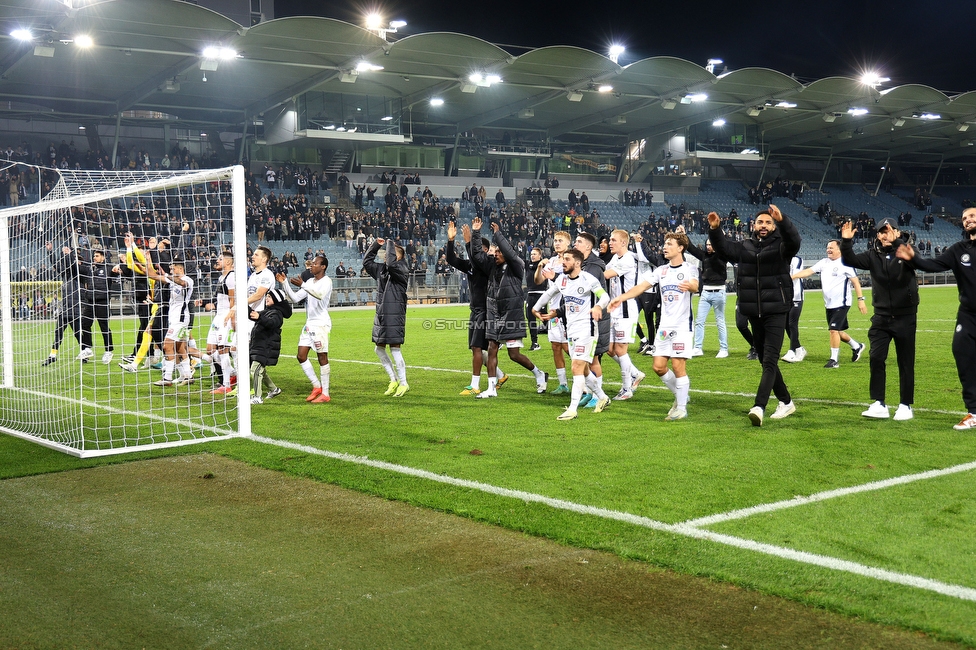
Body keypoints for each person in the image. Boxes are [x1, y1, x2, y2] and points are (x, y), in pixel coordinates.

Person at [708, 206, 799, 426]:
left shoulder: (782, 246)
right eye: (760, 222)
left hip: (777, 310)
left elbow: (794, 241)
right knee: (764, 360)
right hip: (754, 312)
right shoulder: (744, 247)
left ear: (773, 225)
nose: (764, 226)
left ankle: (759, 406)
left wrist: (783, 219)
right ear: (754, 225)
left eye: (768, 223)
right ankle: (786, 402)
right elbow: (722, 248)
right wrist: (715, 229)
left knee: (769, 360)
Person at [895, 206, 976, 430]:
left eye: (972, 216)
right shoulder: (958, 250)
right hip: (968, 314)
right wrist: (913, 257)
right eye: (964, 218)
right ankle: (974, 412)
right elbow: (932, 266)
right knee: (962, 351)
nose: (968, 220)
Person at [609, 231, 699, 420]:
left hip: (682, 326)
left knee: (677, 365)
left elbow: (695, 286)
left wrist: (689, 287)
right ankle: (681, 395)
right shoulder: (661, 271)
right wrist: (620, 298)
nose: (665, 247)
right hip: (664, 327)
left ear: (680, 248)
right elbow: (640, 288)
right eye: (665, 244)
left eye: (669, 244)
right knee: (658, 367)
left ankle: (681, 407)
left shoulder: (690, 268)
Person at [840, 218, 918, 421]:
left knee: (905, 362)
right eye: (881, 232)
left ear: (898, 232)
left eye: (889, 231)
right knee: (876, 358)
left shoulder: (907, 250)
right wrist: (846, 242)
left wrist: (898, 243)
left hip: (905, 317)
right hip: (881, 317)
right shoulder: (872, 255)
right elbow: (850, 261)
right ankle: (879, 403)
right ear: (877, 235)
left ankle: (905, 405)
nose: (885, 235)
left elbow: (916, 259)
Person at [471, 217, 548, 398]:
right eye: (494, 252)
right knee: (492, 348)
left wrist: (497, 235)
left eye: (498, 252)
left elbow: (508, 252)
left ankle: (539, 373)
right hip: (494, 314)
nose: (495, 254)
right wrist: (476, 233)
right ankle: (491, 389)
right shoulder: (491, 267)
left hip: (511, 316)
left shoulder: (517, 266)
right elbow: (477, 255)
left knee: (514, 354)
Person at [531, 249, 611, 420]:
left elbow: (604, 297)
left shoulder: (588, 279)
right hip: (571, 329)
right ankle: (602, 397)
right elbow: (548, 294)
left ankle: (573, 409)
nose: (563, 262)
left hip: (587, 329)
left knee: (576, 367)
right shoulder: (562, 280)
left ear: (577, 262)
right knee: (585, 369)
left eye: (567, 259)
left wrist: (598, 306)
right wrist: (535, 308)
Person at [446, 220, 507, 395]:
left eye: (475, 247)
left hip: (487, 310)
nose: (472, 250)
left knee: (478, 348)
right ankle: (499, 376)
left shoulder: (489, 263)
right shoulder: (471, 265)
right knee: (478, 348)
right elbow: (451, 259)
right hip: (476, 310)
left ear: (485, 251)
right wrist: (451, 241)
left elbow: (477, 257)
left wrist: (468, 242)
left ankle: (475, 385)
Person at [791, 240, 867, 368]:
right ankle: (857, 346)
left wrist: (861, 300)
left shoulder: (846, 263)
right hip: (829, 304)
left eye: (831, 247)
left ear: (839, 250)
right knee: (837, 331)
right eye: (827, 248)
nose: (828, 250)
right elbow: (808, 271)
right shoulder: (823, 262)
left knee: (833, 330)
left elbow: (856, 282)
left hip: (842, 303)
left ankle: (834, 360)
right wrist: (792, 277)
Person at [278, 254, 333, 403]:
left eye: (315, 264)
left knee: (322, 356)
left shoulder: (326, 281)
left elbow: (320, 295)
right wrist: (285, 284)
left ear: (323, 267)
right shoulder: (310, 281)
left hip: (320, 323)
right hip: (309, 323)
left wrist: (303, 285)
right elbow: (295, 298)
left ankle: (325, 394)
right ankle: (316, 386)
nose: (311, 266)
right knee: (301, 356)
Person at [364, 238, 410, 397]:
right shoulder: (382, 270)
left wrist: (390, 243)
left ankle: (404, 383)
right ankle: (393, 380)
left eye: (389, 254)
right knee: (379, 348)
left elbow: (391, 264)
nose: (385, 257)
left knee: (395, 349)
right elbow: (367, 262)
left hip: (395, 313)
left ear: (398, 256)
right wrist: (376, 245)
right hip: (382, 314)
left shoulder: (402, 269)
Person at [603, 229, 646, 399]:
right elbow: (604, 269)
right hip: (614, 309)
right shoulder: (616, 257)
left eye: (613, 240)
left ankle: (627, 389)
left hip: (626, 309)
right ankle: (635, 373)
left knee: (620, 350)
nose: (610, 242)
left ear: (623, 242)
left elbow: (605, 274)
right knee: (609, 349)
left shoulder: (627, 259)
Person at [681, 227, 729, 359]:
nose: (708, 247)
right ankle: (697, 348)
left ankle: (724, 348)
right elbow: (691, 248)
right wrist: (684, 235)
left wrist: (721, 238)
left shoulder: (722, 255)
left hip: (719, 292)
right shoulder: (704, 256)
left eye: (711, 244)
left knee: (720, 321)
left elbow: (726, 247)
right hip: (706, 292)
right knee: (699, 321)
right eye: (707, 244)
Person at [41, 241, 91, 366]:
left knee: (78, 334)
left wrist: (69, 255)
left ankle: (85, 352)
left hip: (75, 309)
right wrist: (50, 251)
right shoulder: (66, 275)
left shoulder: (80, 273)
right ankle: (52, 355)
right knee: (58, 333)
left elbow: (73, 266)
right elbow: (57, 265)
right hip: (64, 309)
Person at [145, 259, 194, 387]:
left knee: (167, 346)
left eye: (173, 268)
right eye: (170, 268)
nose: (171, 270)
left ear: (180, 269)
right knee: (180, 348)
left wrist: (167, 275)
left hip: (181, 318)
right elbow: (152, 275)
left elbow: (182, 283)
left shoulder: (188, 279)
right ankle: (188, 376)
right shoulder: (171, 280)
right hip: (174, 318)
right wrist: (146, 260)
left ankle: (167, 378)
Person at [536, 231, 573, 394]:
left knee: (568, 347)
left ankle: (586, 382)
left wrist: (553, 276)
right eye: (555, 240)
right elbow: (538, 281)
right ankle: (563, 384)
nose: (557, 243)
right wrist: (539, 267)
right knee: (556, 346)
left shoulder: (571, 260)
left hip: (566, 311)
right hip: (552, 311)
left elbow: (570, 281)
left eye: (560, 241)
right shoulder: (551, 261)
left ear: (568, 243)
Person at [247, 289, 293, 404]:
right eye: (267, 296)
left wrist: (259, 317)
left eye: (270, 297)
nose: (266, 298)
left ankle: (257, 397)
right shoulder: (267, 311)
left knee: (255, 371)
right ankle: (274, 389)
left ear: (276, 299)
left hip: (266, 347)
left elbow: (271, 323)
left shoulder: (277, 313)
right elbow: (253, 315)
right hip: (259, 345)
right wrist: (244, 305)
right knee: (260, 370)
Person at [205, 251, 237, 395]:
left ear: (228, 262)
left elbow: (233, 299)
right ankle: (233, 373)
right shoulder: (221, 277)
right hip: (218, 315)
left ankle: (226, 385)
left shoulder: (231, 277)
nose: (217, 261)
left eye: (220, 259)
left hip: (226, 315)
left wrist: (233, 318)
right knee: (210, 350)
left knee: (223, 349)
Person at [81, 247, 116, 364]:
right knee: (84, 324)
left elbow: (124, 272)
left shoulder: (109, 268)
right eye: (94, 256)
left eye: (96, 256)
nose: (94, 258)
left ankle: (109, 350)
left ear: (102, 257)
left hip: (102, 301)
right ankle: (87, 348)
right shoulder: (90, 270)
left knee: (104, 327)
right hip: (90, 301)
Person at [781, 255, 807, 363]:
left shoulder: (796, 259)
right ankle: (799, 348)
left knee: (792, 323)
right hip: (783, 296)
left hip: (796, 295)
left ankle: (792, 351)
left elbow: (795, 275)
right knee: (786, 324)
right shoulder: (778, 258)